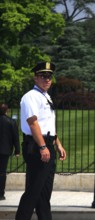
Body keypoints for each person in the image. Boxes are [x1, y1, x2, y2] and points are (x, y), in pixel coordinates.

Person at [16, 61, 67, 220]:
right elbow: (33, 123)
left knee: (44, 193)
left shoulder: (45, 96)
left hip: (47, 144)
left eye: (49, 76)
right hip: (37, 146)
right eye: (43, 76)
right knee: (34, 191)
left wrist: (57, 144)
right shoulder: (30, 97)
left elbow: (47, 124)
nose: (47, 79)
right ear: (35, 78)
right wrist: (43, 146)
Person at [0, 103, 20, 200]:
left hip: (4, 149)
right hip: (5, 150)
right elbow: (15, 137)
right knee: (2, 172)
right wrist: (17, 150)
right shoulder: (11, 122)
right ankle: (1, 193)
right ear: (7, 110)